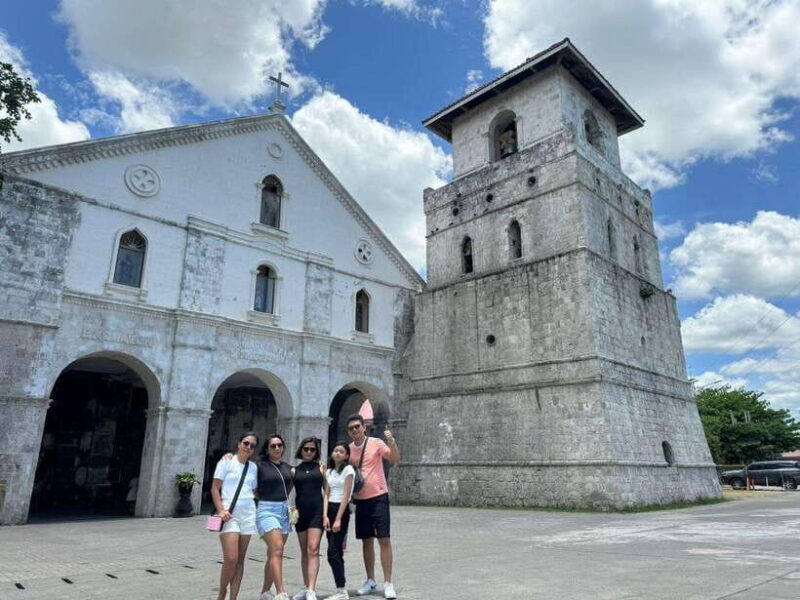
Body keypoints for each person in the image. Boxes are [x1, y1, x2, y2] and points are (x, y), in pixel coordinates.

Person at [346, 414, 401, 599]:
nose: (354, 430)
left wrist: (391, 441)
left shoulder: (376, 443)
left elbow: (394, 459)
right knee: (366, 540)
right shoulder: (349, 449)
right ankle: (370, 580)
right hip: (361, 500)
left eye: (357, 426)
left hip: (378, 497)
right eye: (351, 428)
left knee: (384, 539)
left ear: (364, 427)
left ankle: (388, 583)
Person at [211, 432, 259, 600]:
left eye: (252, 445)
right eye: (246, 443)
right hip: (229, 514)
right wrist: (220, 510)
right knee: (231, 558)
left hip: (248, 513)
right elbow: (215, 488)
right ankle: (222, 591)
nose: (248, 447)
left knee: (240, 559)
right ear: (238, 443)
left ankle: (233, 597)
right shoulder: (226, 462)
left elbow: (254, 491)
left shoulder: (253, 467)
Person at [256, 434, 294, 600]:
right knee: (277, 548)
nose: (277, 448)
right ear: (267, 449)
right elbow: (252, 487)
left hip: (284, 509)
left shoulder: (287, 467)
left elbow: (292, 483)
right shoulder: (259, 466)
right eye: (273, 446)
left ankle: (265, 592)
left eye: (279, 445)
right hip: (266, 509)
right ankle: (281, 592)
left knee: (275, 552)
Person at [291, 437, 326, 600]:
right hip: (301, 514)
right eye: (306, 449)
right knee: (305, 552)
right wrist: (291, 508)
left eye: (312, 450)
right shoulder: (294, 470)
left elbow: (328, 492)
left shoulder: (321, 468)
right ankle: (306, 587)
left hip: (317, 512)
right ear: (301, 450)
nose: (309, 452)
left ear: (316, 452)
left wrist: (327, 514)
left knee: (313, 549)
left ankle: (312, 589)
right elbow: (286, 491)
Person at [323, 441, 355, 600]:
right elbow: (326, 494)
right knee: (336, 551)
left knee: (332, 553)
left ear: (347, 455)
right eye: (335, 450)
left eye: (341, 451)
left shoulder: (348, 470)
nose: (337, 453)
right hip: (329, 510)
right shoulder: (329, 471)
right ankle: (341, 588)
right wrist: (324, 516)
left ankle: (341, 590)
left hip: (341, 511)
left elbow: (346, 496)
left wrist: (337, 519)